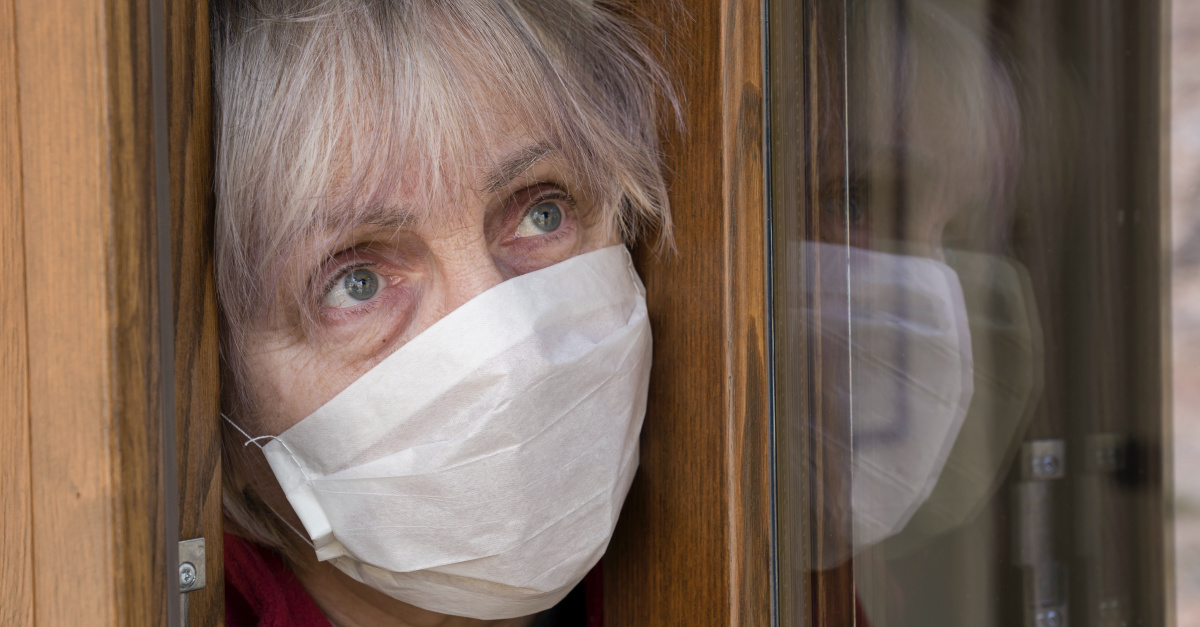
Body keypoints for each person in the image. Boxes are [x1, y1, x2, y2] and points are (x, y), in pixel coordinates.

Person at [211, 1, 679, 625]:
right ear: (215, 394)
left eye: (542, 213)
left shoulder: (737, 573)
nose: (513, 357)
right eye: (357, 281)